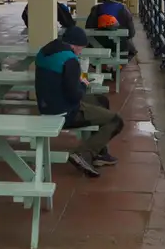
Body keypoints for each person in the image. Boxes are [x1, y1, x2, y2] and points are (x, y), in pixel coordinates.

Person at [36, 26, 124, 177]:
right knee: (116, 121)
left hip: (46, 105)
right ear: (74, 45)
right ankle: (82, 153)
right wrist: (83, 85)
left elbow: (58, 80)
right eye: (81, 48)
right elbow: (74, 96)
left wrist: (75, 82)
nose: (80, 52)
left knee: (101, 101)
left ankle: (100, 154)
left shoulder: (44, 51)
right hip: (65, 112)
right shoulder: (70, 60)